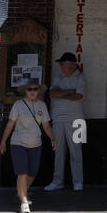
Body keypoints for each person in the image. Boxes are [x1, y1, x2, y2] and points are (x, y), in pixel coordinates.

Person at [0, 82, 55, 213]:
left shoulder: (42, 105)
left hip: (36, 143)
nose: (32, 91)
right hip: (18, 142)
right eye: (29, 89)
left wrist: (53, 138)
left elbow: (46, 126)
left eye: (35, 89)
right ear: (25, 91)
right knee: (22, 172)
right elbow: (10, 123)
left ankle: (21, 192)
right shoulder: (18, 105)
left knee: (32, 173)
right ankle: (24, 202)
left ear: (38, 91)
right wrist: (3, 141)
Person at [45, 52, 85, 192]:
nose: (61, 66)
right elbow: (51, 94)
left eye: (64, 63)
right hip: (58, 119)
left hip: (78, 121)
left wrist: (60, 93)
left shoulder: (80, 77)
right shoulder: (58, 77)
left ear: (73, 65)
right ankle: (57, 181)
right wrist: (68, 92)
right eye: (61, 64)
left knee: (76, 152)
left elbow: (78, 96)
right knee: (58, 152)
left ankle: (78, 182)